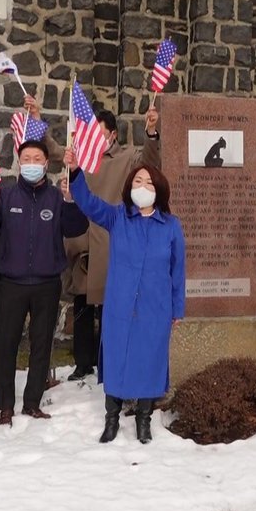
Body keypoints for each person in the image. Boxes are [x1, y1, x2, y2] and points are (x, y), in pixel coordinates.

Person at [35, 97, 162, 380]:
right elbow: (56, 151)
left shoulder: (127, 158)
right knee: (81, 302)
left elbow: (150, 163)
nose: (92, 137)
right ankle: (82, 362)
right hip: (83, 236)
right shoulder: (82, 156)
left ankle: (107, 362)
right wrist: (38, 123)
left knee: (110, 305)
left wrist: (151, 134)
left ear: (113, 134)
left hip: (111, 237)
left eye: (99, 132)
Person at [65, 150, 184, 443]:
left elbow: (178, 269)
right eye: (138, 181)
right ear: (130, 186)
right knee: (117, 358)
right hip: (119, 304)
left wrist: (176, 309)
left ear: (159, 191)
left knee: (150, 361)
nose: (142, 187)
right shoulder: (118, 217)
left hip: (155, 306)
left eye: (149, 183)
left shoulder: (171, 226)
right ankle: (112, 418)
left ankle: (144, 419)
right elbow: (90, 204)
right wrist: (76, 172)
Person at [0, 140, 88, 426]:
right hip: (12, 283)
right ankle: (6, 404)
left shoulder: (57, 197)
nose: (32, 163)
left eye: (38, 158)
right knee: (7, 344)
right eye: (27, 158)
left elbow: (76, 227)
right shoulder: (6, 195)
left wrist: (72, 201)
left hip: (47, 283)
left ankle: (32, 401)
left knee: (41, 344)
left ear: (46, 164)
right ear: (19, 163)